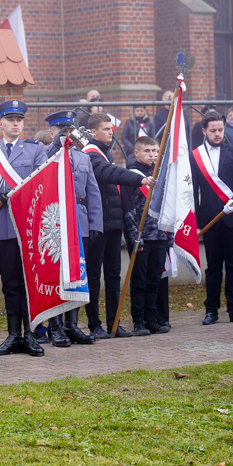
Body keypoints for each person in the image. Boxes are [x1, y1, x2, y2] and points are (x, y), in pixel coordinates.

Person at [0, 100, 46, 357]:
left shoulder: (35, 150)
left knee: (28, 282)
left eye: (19, 120)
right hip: (3, 225)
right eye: (11, 120)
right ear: (1, 123)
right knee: (9, 283)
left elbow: (42, 184)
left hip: (28, 225)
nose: (16, 123)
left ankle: (30, 334)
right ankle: (12, 335)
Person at [80, 113, 156, 339]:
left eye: (111, 129)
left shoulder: (106, 152)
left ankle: (114, 324)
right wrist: (137, 178)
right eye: (105, 129)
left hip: (112, 224)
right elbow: (107, 173)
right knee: (94, 276)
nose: (110, 132)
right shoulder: (90, 154)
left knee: (113, 275)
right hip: (96, 225)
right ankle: (95, 324)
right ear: (93, 132)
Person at [39, 114, 103, 347]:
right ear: (53, 133)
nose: (68, 134)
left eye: (70, 130)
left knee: (78, 273)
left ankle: (71, 324)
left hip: (80, 220)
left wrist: (96, 223)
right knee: (56, 274)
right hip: (56, 220)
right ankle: (55, 327)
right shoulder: (47, 153)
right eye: (62, 130)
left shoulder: (82, 157)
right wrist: (55, 146)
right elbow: (39, 169)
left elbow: (92, 191)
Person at [190, 111, 233, 325]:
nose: (217, 134)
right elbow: (191, 191)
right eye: (213, 130)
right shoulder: (195, 155)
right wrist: (196, 221)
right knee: (213, 265)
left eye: (220, 130)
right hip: (209, 219)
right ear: (204, 131)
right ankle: (211, 310)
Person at [121, 136, 172, 336]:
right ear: (136, 153)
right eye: (147, 151)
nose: (152, 155)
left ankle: (152, 318)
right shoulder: (130, 175)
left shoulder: (160, 174)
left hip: (159, 235)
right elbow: (128, 209)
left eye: (154, 151)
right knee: (139, 281)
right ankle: (138, 321)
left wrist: (170, 235)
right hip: (142, 237)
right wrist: (134, 237)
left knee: (154, 280)